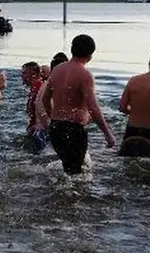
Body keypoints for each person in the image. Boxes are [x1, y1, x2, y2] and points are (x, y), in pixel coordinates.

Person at [42, 35, 116, 175]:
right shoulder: (85, 75)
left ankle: (57, 195)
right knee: (76, 175)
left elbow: (45, 99)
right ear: (90, 55)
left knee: (68, 169)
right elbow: (93, 108)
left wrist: (53, 119)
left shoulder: (57, 70)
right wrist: (107, 134)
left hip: (56, 129)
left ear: (72, 49)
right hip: (74, 130)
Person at [32, 53, 68, 152]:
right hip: (46, 135)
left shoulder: (45, 85)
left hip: (39, 133)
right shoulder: (54, 87)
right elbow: (45, 112)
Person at [21, 61, 46, 153]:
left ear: (34, 74)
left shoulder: (40, 88)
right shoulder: (34, 88)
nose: (21, 76)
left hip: (39, 131)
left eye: (24, 73)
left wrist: (39, 124)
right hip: (34, 130)